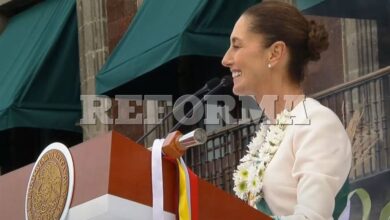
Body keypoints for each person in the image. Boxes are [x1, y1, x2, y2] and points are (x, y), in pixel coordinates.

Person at [221, 1, 352, 220]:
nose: (226, 59)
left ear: (275, 53)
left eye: (236, 45)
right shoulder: (270, 131)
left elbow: (313, 217)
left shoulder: (317, 123)